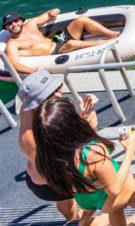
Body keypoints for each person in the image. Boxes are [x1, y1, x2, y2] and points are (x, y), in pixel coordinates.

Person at [33, 96, 135, 224]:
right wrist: (130, 149)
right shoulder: (93, 152)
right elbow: (114, 190)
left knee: (115, 210)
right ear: (68, 124)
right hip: (107, 197)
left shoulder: (44, 158)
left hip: (86, 199)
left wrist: (86, 123)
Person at [18, 71, 98, 223]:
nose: (60, 90)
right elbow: (71, 155)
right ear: (42, 99)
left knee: (67, 204)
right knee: (101, 191)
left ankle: (74, 219)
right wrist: (88, 126)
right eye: (55, 90)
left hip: (38, 177)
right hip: (53, 183)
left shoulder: (27, 109)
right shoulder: (35, 139)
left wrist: (80, 116)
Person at [2, 10, 118, 75]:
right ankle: (106, 43)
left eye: (15, 21)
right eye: (10, 24)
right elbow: (14, 64)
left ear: (21, 20)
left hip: (58, 40)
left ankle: (111, 34)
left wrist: (54, 11)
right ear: (6, 28)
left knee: (81, 20)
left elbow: (48, 15)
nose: (14, 25)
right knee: (71, 44)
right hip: (55, 53)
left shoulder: (31, 24)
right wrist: (33, 71)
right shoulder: (12, 44)